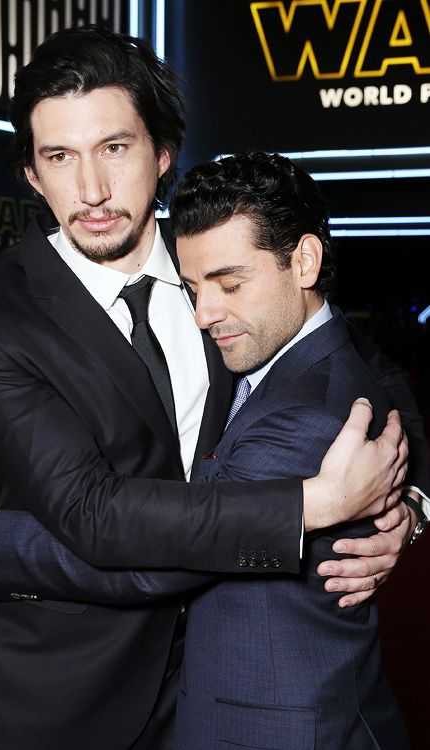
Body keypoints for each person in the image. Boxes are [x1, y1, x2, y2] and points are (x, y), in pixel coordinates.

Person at [0, 26, 420, 750]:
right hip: (59, 704)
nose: (91, 190)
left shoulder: (217, 265)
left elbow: (355, 366)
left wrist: (404, 504)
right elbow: (95, 517)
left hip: (214, 691)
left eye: (115, 149)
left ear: (162, 156)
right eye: (59, 158)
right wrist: (311, 508)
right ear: (32, 176)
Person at [168, 152, 412, 749]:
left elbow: (164, 553)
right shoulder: (299, 348)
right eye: (193, 287)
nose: (205, 314)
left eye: (229, 284)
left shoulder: (308, 418)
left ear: (303, 261)